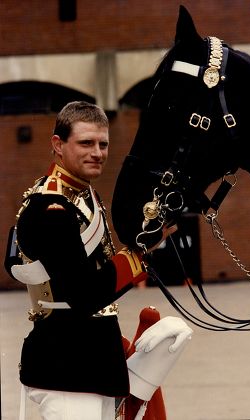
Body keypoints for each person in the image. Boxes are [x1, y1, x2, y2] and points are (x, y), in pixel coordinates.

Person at [6, 101, 176, 420]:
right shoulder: (50, 210)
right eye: (86, 143)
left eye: (103, 144)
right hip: (66, 367)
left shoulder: (84, 196)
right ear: (58, 145)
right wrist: (140, 253)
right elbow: (85, 294)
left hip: (93, 363)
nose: (97, 152)